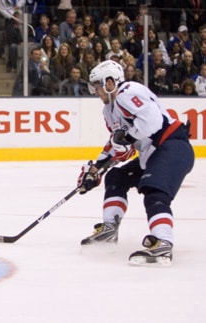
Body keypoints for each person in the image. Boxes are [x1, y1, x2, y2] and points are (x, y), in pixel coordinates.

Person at [78, 60, 194, 266]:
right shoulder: (109, 111)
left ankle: (163, 242)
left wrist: (128, 138)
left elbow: (152, 122)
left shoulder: (128, 92)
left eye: (97, 86)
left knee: (154, 192)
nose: (95, 91)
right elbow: (121, 145)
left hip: (172, 147)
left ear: (110, 82)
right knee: (116, 177)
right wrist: (97, 169)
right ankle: (109, 229)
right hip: (152, 154)